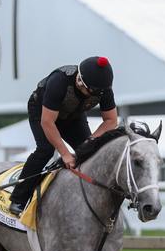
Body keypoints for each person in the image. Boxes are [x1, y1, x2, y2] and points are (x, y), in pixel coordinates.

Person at [8, 56, 118, 215]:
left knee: (89, 152)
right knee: (45, 150)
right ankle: (18, 198)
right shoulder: (59, 81)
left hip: (72, 116)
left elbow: (111, 121)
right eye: (85, 88)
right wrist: (65, 154)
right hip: (42, 113)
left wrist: (91, 141)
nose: (86, 91)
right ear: (79, 79)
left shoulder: (104, 89)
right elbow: (48, 123)